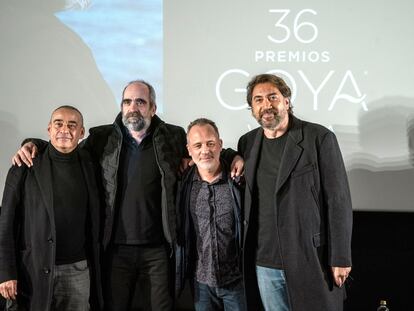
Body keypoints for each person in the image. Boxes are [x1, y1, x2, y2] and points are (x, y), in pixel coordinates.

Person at [12, 80, 242, 311]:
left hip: (158, 250)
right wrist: (33, 145)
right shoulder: (102, 138)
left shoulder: (172, 136)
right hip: (115, 250)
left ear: (153, 108)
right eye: (127, 101)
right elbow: (64, 147)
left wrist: (233, 156)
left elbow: (206, 150)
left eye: (140, 102)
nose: (133, 107)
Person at [238, 74, 353, 311]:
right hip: (265, 263)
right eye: (258, 100)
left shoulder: (318, 138)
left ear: (286, 101)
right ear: (252, 109)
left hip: (310, 258)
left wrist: (340, 257)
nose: (266, 105)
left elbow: (338, 200)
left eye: (273, 97)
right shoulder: (247, 143)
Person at [0, 106, 103, 310]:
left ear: (81, 133)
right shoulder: (25, 165)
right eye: (58, 123)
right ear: (49, 129)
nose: (64, 129)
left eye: (72, 125)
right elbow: (6, 223)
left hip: (78, 271)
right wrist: (6, 272)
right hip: (33, 269)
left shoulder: (91, 165)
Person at [176, 118, 247, 311]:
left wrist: (236, 157)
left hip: (237, 282)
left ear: (220, 145)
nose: (205, 150)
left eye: (210, 144)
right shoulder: (183, 184)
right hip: (201, 285)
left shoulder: (239, 181)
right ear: (189, 150)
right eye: (198, 145)